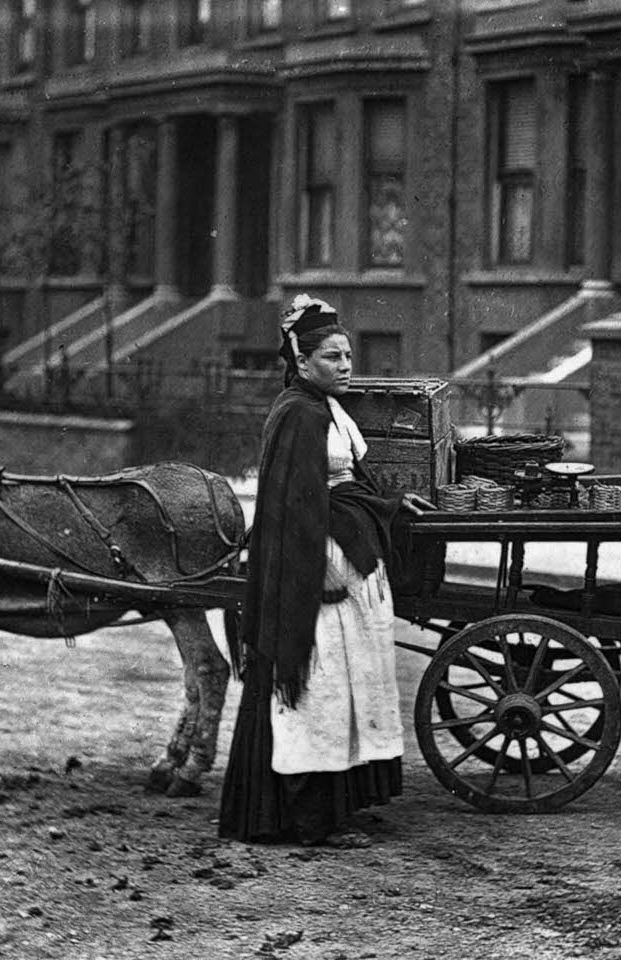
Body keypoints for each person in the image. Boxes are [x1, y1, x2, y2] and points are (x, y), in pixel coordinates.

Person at [218, 294, 432, 847]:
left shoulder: (328, 409)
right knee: (318, 689)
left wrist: (390, 507)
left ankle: (340, 804)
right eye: (333, 357)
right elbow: (290, 509)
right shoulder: (297, 414)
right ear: (302, 359)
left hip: (343, 559)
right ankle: (308, 817)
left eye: (347, 356)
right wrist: (315, 576)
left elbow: (347, 484)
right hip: (315, 574)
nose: (345, 366)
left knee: (349, 686)